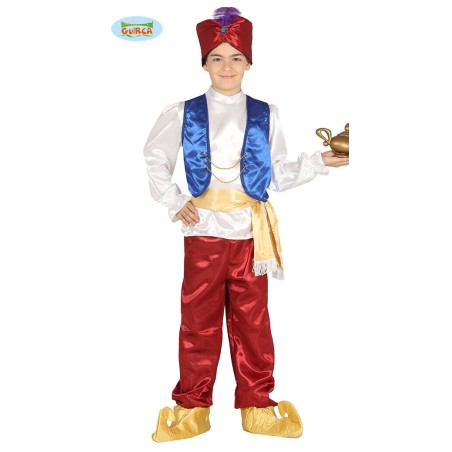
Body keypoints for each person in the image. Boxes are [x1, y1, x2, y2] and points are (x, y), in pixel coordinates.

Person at [143, 7, 349, 443]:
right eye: (217, 58)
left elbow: (276, 173)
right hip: (203, 232)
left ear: (249, 63)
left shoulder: (265, 112)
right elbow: (155, 157)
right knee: (198, 321)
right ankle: (192, 408)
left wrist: (320, 161)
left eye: (236, 58)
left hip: (251, 235)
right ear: (204, 63)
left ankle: (257, 406)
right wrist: (175, 201)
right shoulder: (182, 112)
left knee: (252, 322)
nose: (227, 66)